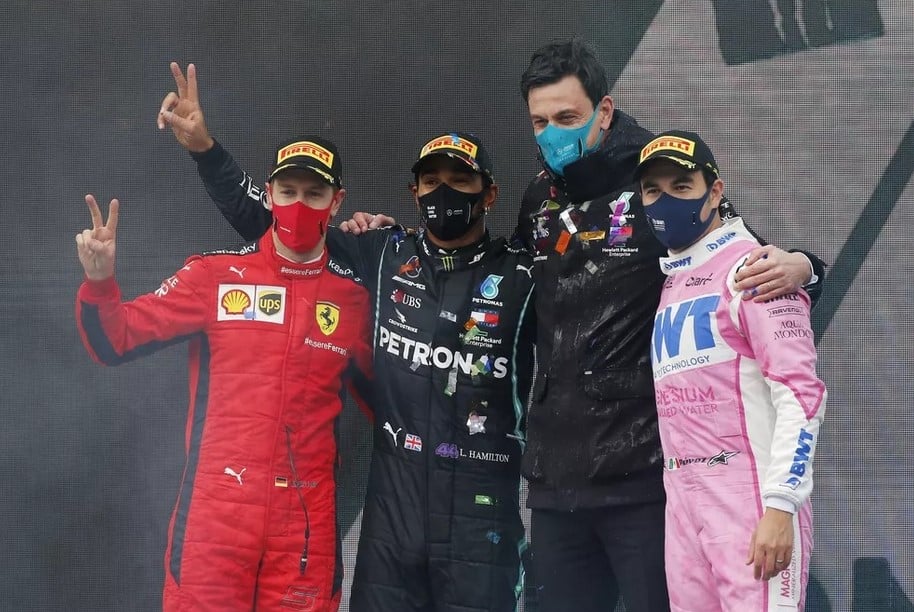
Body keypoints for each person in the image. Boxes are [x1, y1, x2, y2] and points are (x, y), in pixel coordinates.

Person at [158, 63, 536, 612]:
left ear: (489, 194)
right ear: (414, 191)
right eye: (432, 181)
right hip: (396, 518)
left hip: (482, 513)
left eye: (460, 181)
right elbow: (274, 222)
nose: (444, 192)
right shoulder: (383, 255)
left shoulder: (522, 275)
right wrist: (206, 151)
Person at [511, 39, 826, 612]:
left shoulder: (657, 179)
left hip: (645, 476)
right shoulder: (538, 197)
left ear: (604, 111)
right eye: (540, 122)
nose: (553, 134)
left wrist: (806, 266)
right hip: (556, 479)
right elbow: (506, 286)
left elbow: (743, 257)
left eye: (568, 119)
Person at [74, 136, 372, 611]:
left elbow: (397, 403)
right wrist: (99, 282)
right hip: (215, 521)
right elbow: (117, 340)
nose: (299, 204)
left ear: (336, 202)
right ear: (269, 194)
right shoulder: (214, 276)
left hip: (304, 526)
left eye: (314, 194)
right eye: (289, 191)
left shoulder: (355, 298)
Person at [636, 129, 826, 610]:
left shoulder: (756, 269)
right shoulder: (672, 279)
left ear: (715, 190)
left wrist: (781, 505)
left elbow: (802, 395)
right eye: (653, 190)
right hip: (684, 507)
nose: (666, 200)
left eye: (682, 186)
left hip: (753, 507)